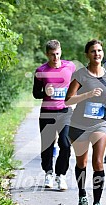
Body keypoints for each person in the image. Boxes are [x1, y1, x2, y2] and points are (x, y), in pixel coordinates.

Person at [65, 39, 106, 205]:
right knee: (82, 162)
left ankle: (97, 203)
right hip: (79, 124)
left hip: (100, 123)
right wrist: (86, 94)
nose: (97, 54)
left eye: (100, 50)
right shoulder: (81, 75)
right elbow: (68, 100)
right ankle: (82, 195)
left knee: (98, 162)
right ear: (87, 54)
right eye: (93, 51)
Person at [33, 39, 76, 190]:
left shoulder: (70, 66)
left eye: (57, 54)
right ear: (47, 54)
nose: (55, 58)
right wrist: (44, 92)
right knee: (47, 146)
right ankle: (48, 173)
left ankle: (61, 175)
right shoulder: (41, 71)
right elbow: (35, 93)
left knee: (65, 144)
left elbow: (78, 83)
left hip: (65, 112)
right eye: (52, 55)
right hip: (47, 113)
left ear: (61, 52)